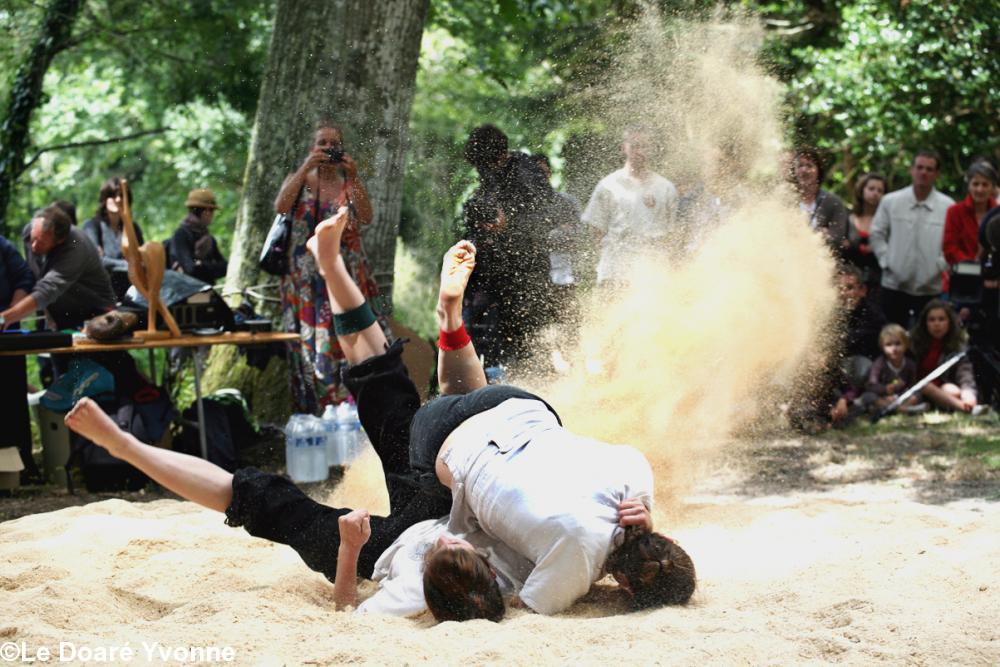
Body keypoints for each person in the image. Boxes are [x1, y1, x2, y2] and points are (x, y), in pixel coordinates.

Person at [273, 121, 378, 413]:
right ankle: (316, 412)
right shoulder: (301, 179)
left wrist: (354, 177)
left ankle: (351, 408)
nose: (329, 149)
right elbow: (281, 206)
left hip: (346, 277)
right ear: (312, 148)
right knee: (310, 346)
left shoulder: (348, 182)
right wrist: (306, 166)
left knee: (349, 341)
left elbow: (367, 216)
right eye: (323, 143)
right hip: (307, 283)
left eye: (335, 144)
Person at [582, 126, 678, 288]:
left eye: (645, 146)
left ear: (652, 148)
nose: (640, 151)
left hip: (653, 276)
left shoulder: (665, 188)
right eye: (635, 146)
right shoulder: (608, 186)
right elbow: (596, 232)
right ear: (623, 148)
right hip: (615, 274)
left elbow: (671, 235)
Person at [870, 150, 955, 328]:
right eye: (920, 167)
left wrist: (941, 265)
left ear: (936, 174)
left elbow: (952, 243)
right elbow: (877, 233)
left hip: (931, 287)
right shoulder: (890, 201)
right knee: (892, 335)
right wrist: (887, 261)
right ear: (912, 170)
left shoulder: (948, 206)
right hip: (894, 285)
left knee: (927, 339)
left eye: (929, 169)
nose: (923, 173)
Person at [5, 204, 115, 331]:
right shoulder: (29, 232)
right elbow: (37, 277)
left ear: (60, 241)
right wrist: (48, 315)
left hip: (96, 313)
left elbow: (48, 288)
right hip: (60, 315)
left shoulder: (76, 246)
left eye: (41, 242)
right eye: (33, 238)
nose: (34, 246)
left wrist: (6, 317)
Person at [0, 236, 39, 479]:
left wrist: (10, 315)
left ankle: (24, 468)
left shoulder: (2, 245)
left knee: (13, 398)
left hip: (7, 333)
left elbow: (25, 277)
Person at [82, 176, 145, 301]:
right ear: (105, 199)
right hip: (102, 293)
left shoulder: (133, 227)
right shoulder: (92, 226)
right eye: (113, 195)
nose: (118, 199)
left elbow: (141, 258)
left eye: (122, 195)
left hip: (131, 291)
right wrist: (129, 265)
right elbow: (97, 260)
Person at [909, 300, 977, 412]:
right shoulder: (913, 343)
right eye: (932, 320)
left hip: (942, 389)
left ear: (949, 322)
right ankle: (967, 409)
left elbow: (965, 372)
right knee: (927, 386)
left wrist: (969, 393)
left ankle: (964, 405)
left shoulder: (957, 345)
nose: (937, 324)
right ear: (925, 323)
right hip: (915, 389)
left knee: (953, 390)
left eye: (941, 319)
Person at [791, 147, 849, 251]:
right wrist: (821, 232)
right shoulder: (786, 200)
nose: (804, 170)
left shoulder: (833, 202)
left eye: (809, 165)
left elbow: (836, 238)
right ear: (794, 171)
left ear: (819, 171)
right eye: (800, 166)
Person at [943, 161, 998, 267]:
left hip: (994, 275)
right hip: (962, 274)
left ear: (992, 187)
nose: (980, 189)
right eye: (975, 184)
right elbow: (950, 249)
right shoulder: (954, 212)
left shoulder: (998, 213)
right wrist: (972, 265)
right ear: (969, 186)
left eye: (985, 184)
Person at [167, 188, 227, 284]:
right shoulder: (180, 235)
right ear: (206, 212)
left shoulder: (209, 238)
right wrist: (210, 267)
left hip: (206, 292)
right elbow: (190, 270)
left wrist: (202, 266)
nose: (213, 215)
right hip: (186, 295)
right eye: (212, 211)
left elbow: (225, 267)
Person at [843, 172, 887, 289]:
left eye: (880, 191)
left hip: (879, 283)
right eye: (871, 188)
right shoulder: (848, 219)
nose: (875, 193)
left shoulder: (887, 223)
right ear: (862, 190)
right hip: (850, 283)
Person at [862, 324, 919, 412]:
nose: (894, 348)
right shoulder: (879, 363)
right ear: (882, 346)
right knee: (868, 396)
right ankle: (902, 409)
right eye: (889, 345)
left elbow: (912, 385)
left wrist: (904, 392)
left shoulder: (910, 364)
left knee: (918, 393)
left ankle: (895, 408)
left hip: (901, 396)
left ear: (906, 344)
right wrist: (886, 389)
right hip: (883, 397)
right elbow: (871, 385)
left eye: (898, 343)